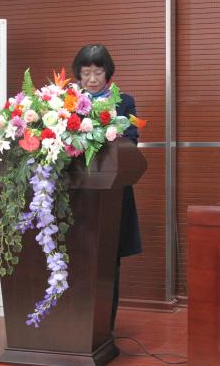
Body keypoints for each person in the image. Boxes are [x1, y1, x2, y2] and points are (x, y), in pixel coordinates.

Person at [72, 44, 142, 332]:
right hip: (74, 194)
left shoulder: (125, 102)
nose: (91, 79)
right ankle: (71, 326)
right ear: (78, 74)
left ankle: (104, 328)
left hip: (111, 195)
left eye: (98, 72)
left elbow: (132, 140)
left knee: (107, 262)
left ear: (108, 73)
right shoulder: (65, 102)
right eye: (86, 72)